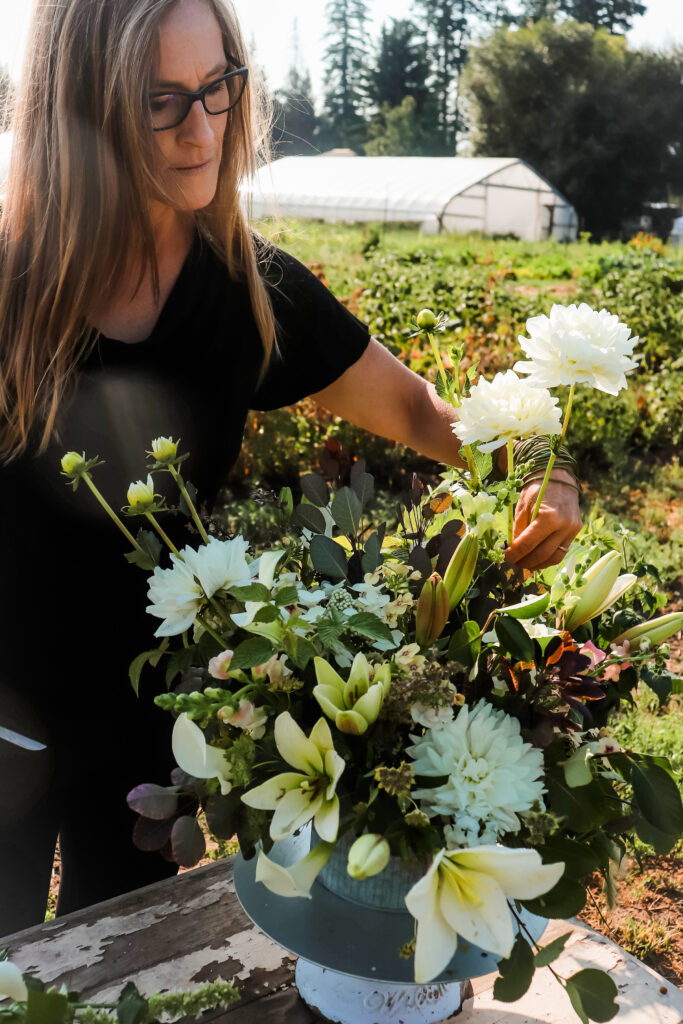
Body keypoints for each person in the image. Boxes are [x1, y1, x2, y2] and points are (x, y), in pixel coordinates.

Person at [0, 0, 581, 936]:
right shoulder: (10, 288)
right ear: (82, 108)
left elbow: (421, 412)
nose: (203, 131)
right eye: (161, 101)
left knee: (123, 972)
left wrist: (543, 467)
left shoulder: (247, 292)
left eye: (219, 87)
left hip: (154, 733)